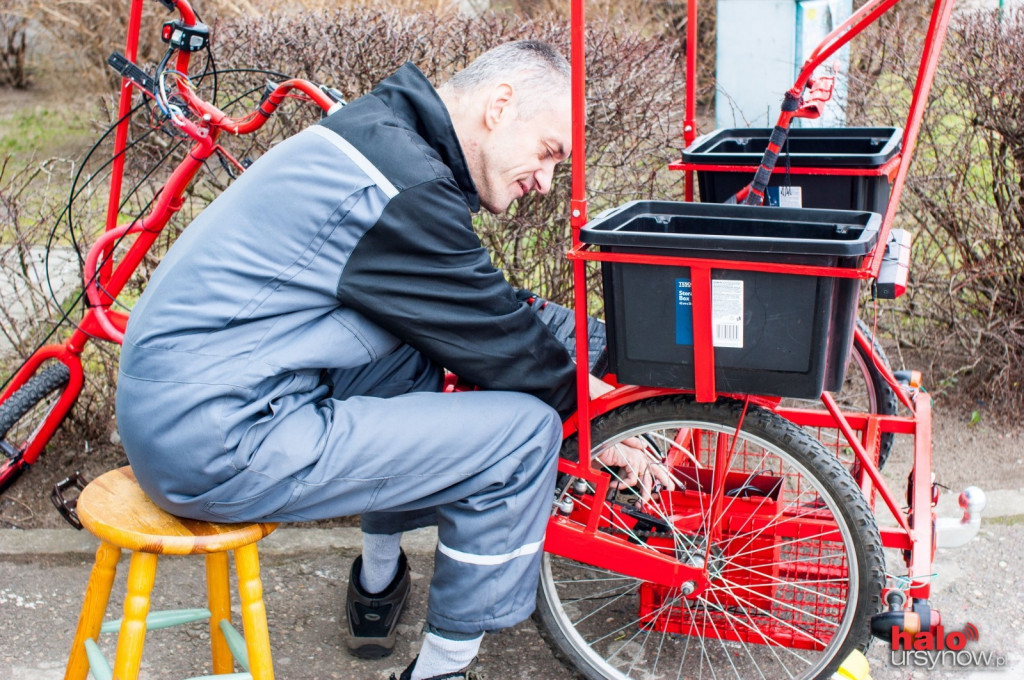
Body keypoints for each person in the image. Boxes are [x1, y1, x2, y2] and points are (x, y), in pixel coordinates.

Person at [115, 40, 672, 680]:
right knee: (524, 436)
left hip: (189, 405)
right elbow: (496, 333)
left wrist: (585, 364)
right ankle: (440, 671)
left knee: (410, 354)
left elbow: (471, 308)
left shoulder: (379, 138)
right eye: (548, 152)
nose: (545, 182)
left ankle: (378, 577)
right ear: (500, 106)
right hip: (216, 441)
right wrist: (599, 420)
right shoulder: (399, 185)